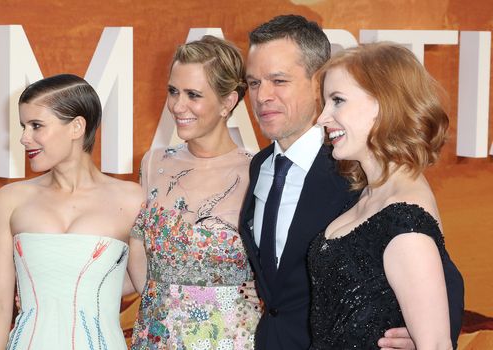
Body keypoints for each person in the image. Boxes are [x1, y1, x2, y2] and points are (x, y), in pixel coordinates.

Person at [238, 15, 462, 350]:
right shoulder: (261, 166)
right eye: (254, 83)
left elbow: (439, 276)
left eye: (278, 80)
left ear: (316, 83)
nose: (261, 96)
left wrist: (426, 337)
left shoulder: (352, 169)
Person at [308, 42, 464, 349]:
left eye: (337, 100)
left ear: (384, 102)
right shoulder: (373, 194)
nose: (322, 118)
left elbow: (435, 344)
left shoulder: (404, 220)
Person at [0, 74, 143, 350]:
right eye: (23, 126)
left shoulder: (132, 199)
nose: (24, 138)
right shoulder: (9, 200)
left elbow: (151, 288)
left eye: (36, 126)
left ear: (77, 127)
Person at [127, 35, 261, 349]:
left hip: (231, 338)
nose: (177, 105)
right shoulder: (154, 164)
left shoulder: (258, 172)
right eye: (173, 91)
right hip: (158, 335)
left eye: (193, 94)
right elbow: (136, 252)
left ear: (228, 101)